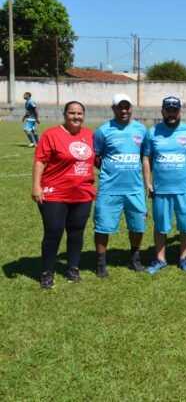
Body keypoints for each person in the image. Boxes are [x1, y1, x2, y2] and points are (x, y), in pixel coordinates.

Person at [32, 101, 95, 288]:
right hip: (54, 192)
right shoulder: (52, 134)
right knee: (54, 231)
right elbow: (40, 161)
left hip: (83, 192)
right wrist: (36, 186)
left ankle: (73, 268)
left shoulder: (90, 135)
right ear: (65, 114)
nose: (76, 117)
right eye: (72, 113)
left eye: (79, 113)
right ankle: (47, 272)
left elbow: (98, 159)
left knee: (77, 231)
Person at [142, 97, 186, 274]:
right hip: (161, 190)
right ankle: (160, 259)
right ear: (162, 112)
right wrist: (147, 182)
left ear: (180, 112)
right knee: (160, 225)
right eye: (168, 110)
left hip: (185, 189)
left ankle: (184, 258)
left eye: (175, 110)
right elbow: (146, 158)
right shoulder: (152, 132)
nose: (172, 113)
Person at [92, 94, 148, 278]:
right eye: (120, 107)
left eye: (127, 107)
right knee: (102, 226)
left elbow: (144, 156)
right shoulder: (103, 131)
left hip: (135, 188)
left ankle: (135, 258)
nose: (124, 111)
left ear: (132, 108)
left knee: (138, 225)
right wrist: (111, 171)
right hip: (110, 189)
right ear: (113, 108)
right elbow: (96, 156)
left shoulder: (141, 130)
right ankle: (101, 263)